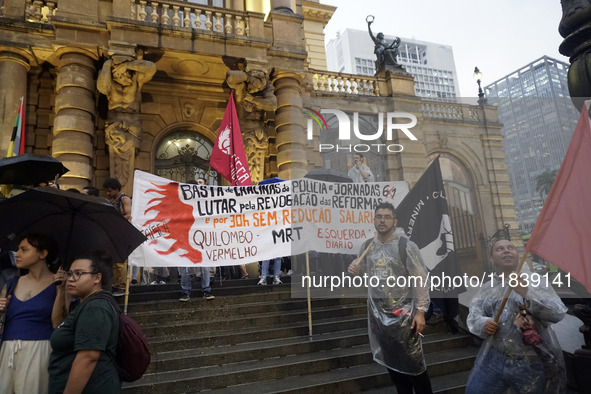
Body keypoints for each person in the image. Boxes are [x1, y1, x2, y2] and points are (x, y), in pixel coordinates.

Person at [348, 202, 432, 394]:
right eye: (379, 216)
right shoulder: (367, 247)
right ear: (374, 220)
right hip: (379, 318)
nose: (382, 220)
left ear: (395, 221)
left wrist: (420, 312)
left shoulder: (406, 246)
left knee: (415, 367)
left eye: (387, 217)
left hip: (405, 316)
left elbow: (420, 279)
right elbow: (366, 275)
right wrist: (356, 270)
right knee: (394, 368)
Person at [465, 238, 567, 393]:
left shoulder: (536, 281)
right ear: (491, 259)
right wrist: (484, 323)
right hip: (493, 358)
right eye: (499, 249)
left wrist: (526, 292)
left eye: (510, 247)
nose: (506, 250)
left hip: (530, 361)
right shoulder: (488, 288)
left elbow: (557, 312)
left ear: (518, 255)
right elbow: (474, 314)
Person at [0, 233, 64, 394]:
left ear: (43, 254)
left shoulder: (59, 284)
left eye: (24, 249)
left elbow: (58, 324)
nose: (17, 254)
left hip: (40, 350)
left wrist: (61, 290)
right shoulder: (10, 283)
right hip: (8, 350)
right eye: (17, 250)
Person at [48, 251, 120, 393]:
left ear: (97, 278)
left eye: (78, 273)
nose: (71, 278)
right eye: (69, 273)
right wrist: (61, 289)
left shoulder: (95, 307)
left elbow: (88, 358)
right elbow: (57, 324)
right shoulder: (85, 304)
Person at [178, 178, 215, 302]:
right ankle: (185, 291)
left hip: (201, 237)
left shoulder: (203, 202)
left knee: (204, 265)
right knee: (185, 266)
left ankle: (206, 289)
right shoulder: (181, 203)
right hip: (186, 238)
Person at [103, 178, 131, 296]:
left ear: (116, 189)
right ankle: (115, 284)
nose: (108, 193)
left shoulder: (124, 199)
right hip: (112, 233)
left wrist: (115, 222)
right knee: (113, 261)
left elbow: (129, 216)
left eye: (110, 191)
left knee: (120, 261)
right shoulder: (111, 201)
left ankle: (122, 286)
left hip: (122, 233)